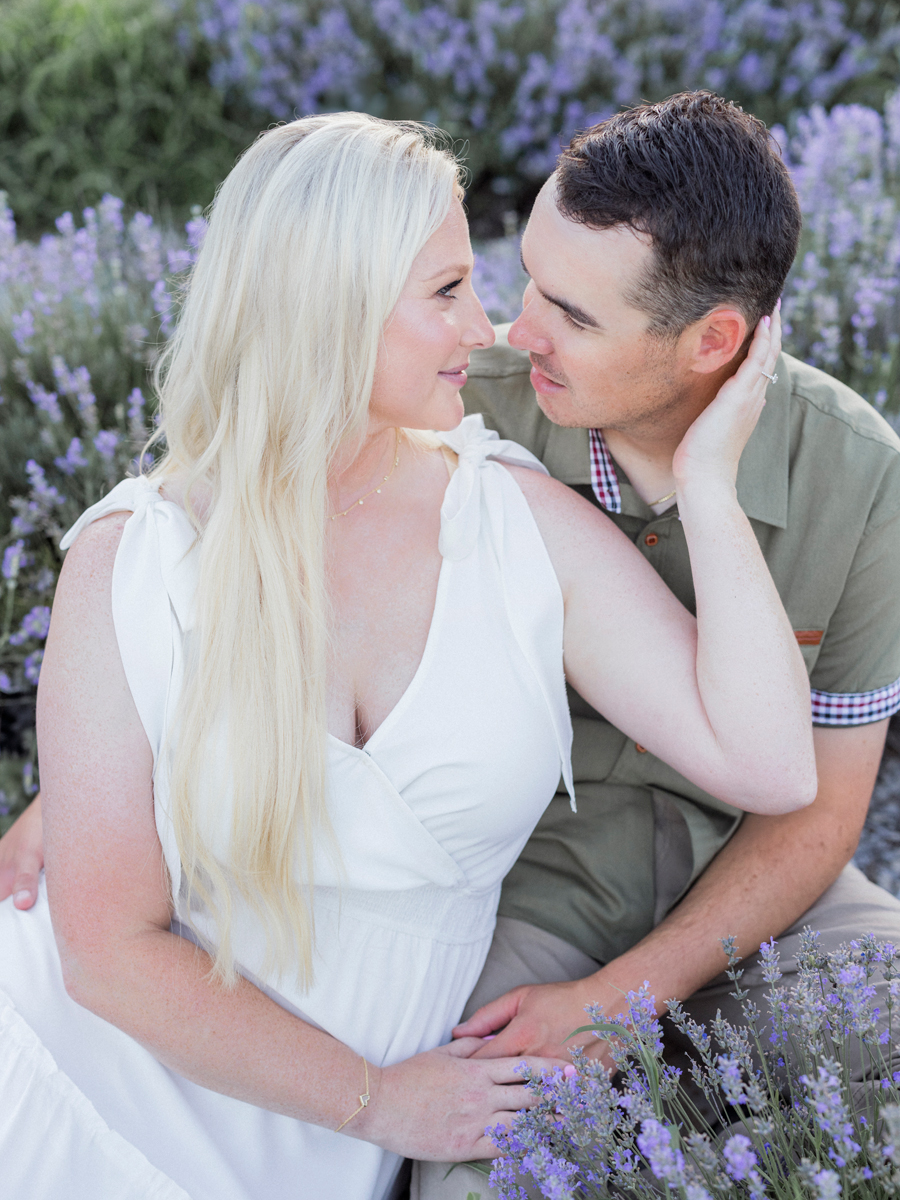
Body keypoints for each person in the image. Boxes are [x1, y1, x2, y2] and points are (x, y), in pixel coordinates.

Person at [0, 109, 815, 1200]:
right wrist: (375, 1099)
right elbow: (104, 952)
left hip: (308, 1157)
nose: (484, 329)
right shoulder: (130, 562)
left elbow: (769, 764)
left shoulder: (508, 521)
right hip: (68, 1084)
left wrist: (710, 488)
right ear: (326, 309)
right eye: (443, 293)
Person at [408, 93, 900, 1199]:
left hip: (759, 890)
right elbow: (230, 519)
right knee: (479, 1177)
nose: (514, 326)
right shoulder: (462, 406)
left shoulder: (861, 479)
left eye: (573, 315)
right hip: (530, 893)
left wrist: (624, 999)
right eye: (525, 275)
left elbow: (820, 813)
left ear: (713, 344)